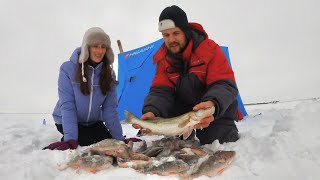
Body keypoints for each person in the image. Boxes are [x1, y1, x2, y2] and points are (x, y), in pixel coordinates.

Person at [133, 5, 240, 145]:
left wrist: (213, 105)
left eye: (176, 33)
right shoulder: (163, 59)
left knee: (219, 143)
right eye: (166, 35)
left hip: (213, 110)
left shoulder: (210, 50)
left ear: (185, 31)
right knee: (175, 145)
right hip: (185, 113)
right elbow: (160, 91)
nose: (171, 40)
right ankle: (184, 136)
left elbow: (224, 84)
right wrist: (152, 111)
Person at [44, 27, 124, 150]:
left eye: (103, 47)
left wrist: (120, 139)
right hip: (67, 120)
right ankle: (69, 138)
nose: (99, 50)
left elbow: (110, 109)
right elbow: (68, 105)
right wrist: (70, 139)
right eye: (95, 46)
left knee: (111, 145)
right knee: (89, 144)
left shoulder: (109, 73)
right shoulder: (68, 69)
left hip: (93, 122)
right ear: (87, 47)